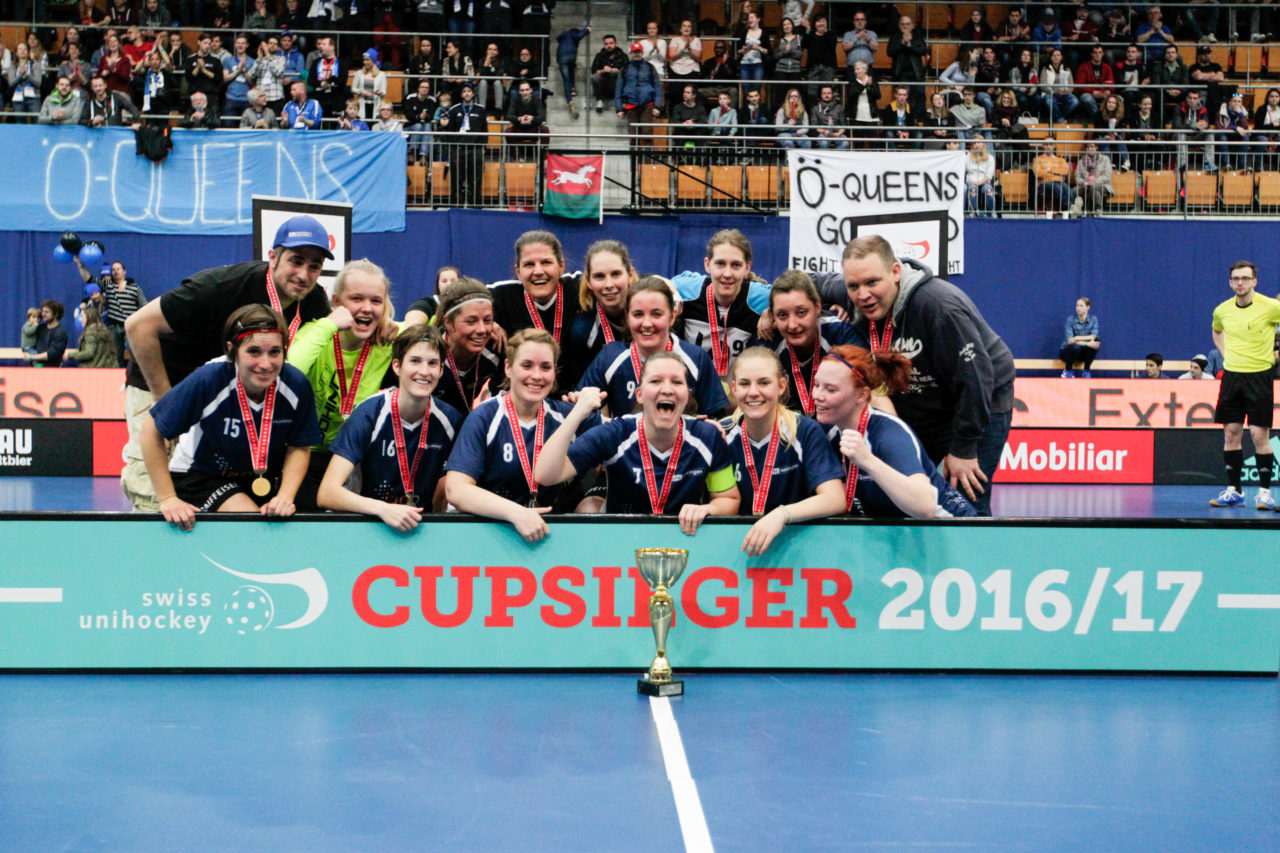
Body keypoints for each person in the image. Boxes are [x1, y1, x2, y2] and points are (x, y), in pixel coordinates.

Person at [122, 214, 334, 511]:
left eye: (315, 266)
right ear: (273, 257)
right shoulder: (223, 285)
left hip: (231, 393)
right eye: (296, 261)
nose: (304, 274)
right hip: (162, 379)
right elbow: (137, 326)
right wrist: (167, 400)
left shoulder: (310, 300)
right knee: (154, 490)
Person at [835, 235, 1014, 516]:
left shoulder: (939, 307)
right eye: (853, 286)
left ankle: (973, 554)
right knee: (904, 487)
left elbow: (977, 378)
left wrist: (964, 448)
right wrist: (769, 309)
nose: (862, 295)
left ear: (895, 272)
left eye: (872, 283)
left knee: (965, 494)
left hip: (980, 401)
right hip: (924, 401)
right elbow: (807, 286)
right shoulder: (851, 290)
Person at [141, 304, 321, 531]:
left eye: (275, 352)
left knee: (310, 518)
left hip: (260, 475)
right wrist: (167, 498)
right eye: (254, 351)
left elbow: (300, 446)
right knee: (253, 525)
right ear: (232, 350)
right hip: (201, 476)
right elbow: (150, 431)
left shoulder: (296, 384)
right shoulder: (209, 379)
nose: (265, 364)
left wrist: (285, 496)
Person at [535, 352, 740, 534]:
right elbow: (546, 474)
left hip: (684, 539)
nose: (667, 389)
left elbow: (728, 499)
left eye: (677, 382)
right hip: (622, 543)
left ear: (687, 396)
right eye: (656, 381)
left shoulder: (707, 437)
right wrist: (578, 413)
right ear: (640, 395)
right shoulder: (615, 434)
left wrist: (708, 509)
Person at [445, 329, 603, 543]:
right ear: (508, 368)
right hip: (490, 534)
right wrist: (516, 513)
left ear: (555, 372)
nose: (537, 376)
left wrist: (587, 405)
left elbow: (633, 433)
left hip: (550, 536)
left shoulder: (569, 415)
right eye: (527, 365)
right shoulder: (485, 416)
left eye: (546, 367)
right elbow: (456, 490)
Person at [319, 325, 463, 528]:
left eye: (432, 364)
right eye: (415, 361)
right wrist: (382, 509)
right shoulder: (369, 413)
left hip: (419, 526)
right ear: (397, 366)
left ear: (441, 370)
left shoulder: (450, 420)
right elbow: (327, 493)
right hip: (366, 523)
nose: (424, 371)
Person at [286, 258, 399, 510]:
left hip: (354, 458)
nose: (367, 308)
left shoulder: (388, 341)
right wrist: (329, 324)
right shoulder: (316, 334)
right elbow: (289, 372)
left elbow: (430, 336)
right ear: (336, 302)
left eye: (376, 301)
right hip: (305, 454)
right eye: (356, 299)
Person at [814, 344, 977, 518]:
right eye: (816, 385)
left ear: (861, 395)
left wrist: (867, 461)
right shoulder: (827, 429)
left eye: (830, 389)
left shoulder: (889, 434)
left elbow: (926, 507)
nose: (817, 395)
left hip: (950, 529)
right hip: (896, 532)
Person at [723, 347, 846, 555]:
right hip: (739, 548)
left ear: (781, 386)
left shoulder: (805, 431)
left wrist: (781, 515)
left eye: (764, 382)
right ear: (733, 388)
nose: (753, 392)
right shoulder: (722, 434)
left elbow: (836, 499)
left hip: (797, 546)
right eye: (745, 383)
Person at [576, 276, 730, 418]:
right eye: (638, 314)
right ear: (627, 318)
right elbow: (581, 411)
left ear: (672, 317)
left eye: (656, 314)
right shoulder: (610, 357)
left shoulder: (696, 358)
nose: (647, 323)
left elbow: (716, 419)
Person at [1209, 260, 1280, 509]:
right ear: (1231, 282)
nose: (1240, 283)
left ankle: (1264, 493)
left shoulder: (1271, 307)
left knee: (1260, 435)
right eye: (1236, 279)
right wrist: (1227, 354)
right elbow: (1217, 331)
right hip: (1232, 377)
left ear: (1254, 281)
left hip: (1259, 377)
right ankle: (1234, 491)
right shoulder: (1222, 310)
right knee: (1231, 433)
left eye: (1245, 278)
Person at [752, 270, 864, 416]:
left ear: (818, 308)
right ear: (772, 315)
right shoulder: (767, 341)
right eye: (782, 315)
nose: (792, 325)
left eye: (801, 312)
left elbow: (868, 394)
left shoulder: (840, 334)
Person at [679, 229, 762, 376]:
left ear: (747, 268)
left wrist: (772, 311)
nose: (727, 274)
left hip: (738, 395)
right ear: (707, 264)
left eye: (736, 265)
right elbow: (656, 284)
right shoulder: (687, 290)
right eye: (720, 264)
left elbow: (791, 294)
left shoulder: (759, 297)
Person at [565, 240, 637, 380]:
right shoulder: (583, 331)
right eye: (599, 276)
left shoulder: (652, 315)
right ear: (589, 281)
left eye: (616, 274)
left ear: (630, 275)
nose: (608, 284)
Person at [433, 278, 503, 415]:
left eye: (488, 320)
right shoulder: (427, 355)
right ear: (448, 322)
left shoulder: (497, 352)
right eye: (471, 321)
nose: (482, 329)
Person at [75, 256, 146, 367]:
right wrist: (79, 263)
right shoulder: (108, 286)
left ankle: (137, 379)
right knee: (115, 357)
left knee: (136, 355)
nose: (115, 271)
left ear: (124, 271)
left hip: (130, 327)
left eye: (118, 269)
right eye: (113, 269)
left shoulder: (135, 288)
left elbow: (144, 306)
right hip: (113, 327)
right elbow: (88, 279)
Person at [615, 41, 663, 139]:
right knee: (633, 135)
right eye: (634, 52)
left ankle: (648, 154)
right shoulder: (625, 68)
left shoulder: (650, 67)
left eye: (639, 52)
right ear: (631, 53)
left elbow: (658, 86)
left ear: (642, 53)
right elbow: (618, 88)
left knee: (647, 133)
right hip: (630, 105)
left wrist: (657, 106)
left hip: (647, 105)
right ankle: (633, 154)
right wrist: (619, 108)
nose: (637, 54)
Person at [1059, 297, 1101, 377]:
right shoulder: (1070, 320)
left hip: (1082, 353)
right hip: (1067, 352)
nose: (1078, 308)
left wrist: (1077, 338)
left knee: (1096, 342)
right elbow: (1070, 341)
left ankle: (1086, 371)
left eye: (1081, 306)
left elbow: (1093, 336)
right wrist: (1086, 343)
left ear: (1088, 307)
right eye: (1077, 306)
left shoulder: (1093, 319)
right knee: (1075, 347)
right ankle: (1068, 371)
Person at [1072, 140, 1114, 216]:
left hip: (1102, 185)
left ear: (1096, 148)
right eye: (1088, 147)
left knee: (1093, 187)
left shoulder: (1105, 159)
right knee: (1074, 191)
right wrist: (1083, 182)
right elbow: (1077, 176)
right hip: (1085, 184)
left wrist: (1095, 181)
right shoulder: (1081, 161)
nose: (1090, 149)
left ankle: (1098, 210)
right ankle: (1074, 211)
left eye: (1092, 146)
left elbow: (1107, 175)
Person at [590, 34, 627, 113]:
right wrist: (603, 70)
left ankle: (623, 102)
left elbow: (628, 71)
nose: (609, 46)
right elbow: (594, 70)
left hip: (617, 83)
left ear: (615, 43)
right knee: (595, 77)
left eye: (611, 43)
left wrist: (617, 70)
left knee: (625, 77)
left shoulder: (623, 56)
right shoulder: (599, 56)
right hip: (604, 83)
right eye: (606, 44)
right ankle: (600, 100)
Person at [25, 301, 69, 368]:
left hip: (51, 370)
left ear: (56, 314)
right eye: (43, 311)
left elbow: (52, 354)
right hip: (35, 368)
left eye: (47, 312)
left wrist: (32, 357)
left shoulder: (60, 332)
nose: (43, 314)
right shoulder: (40, 328)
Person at [965, 139, 998, 217]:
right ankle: (973, 213)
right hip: (971, 181)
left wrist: (978, 183)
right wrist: (972, 182)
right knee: (973, 190)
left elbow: (989, 175)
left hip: (985, 181)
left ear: (984, 144)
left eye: (978, 142)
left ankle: (991, 212)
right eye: (974, 143)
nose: (976, 144)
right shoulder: (967, 157)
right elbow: (964, 170)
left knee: (989, 191)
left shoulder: (990, 157)